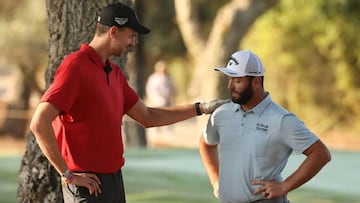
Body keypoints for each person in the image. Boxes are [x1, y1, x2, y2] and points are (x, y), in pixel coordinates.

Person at [29, 2, 227, 203]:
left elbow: (149, 117)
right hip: (87, 186)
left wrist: (202, 108)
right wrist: (67, 174)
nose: (133, 43)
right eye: (131, 36)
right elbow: (39, 123)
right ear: (114, 31)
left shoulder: (114, 74)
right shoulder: (75, 67)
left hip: (114, 181)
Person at [199, 50, 331, 203]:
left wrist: (284, 186)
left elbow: (321, 153)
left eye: (237, 81)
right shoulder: (221, 114)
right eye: (229, 79)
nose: (230, 86)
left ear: (255, 82)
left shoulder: (282, 120)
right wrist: (216, 182)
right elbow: (206, 144)